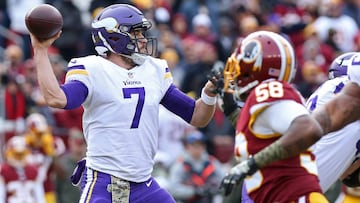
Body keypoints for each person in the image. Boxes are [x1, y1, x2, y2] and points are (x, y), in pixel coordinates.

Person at [29, 4, 217, 203]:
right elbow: (57, 98)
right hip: (105, 182)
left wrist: (208, 94)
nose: (144, 39)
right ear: (114, 38)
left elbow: (197, 117)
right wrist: (40, 50)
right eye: (136, 33)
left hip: (143, 184)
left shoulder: (153, 69)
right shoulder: (94, 68)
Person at [217, 33, 360, 201]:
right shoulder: (274, 95)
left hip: (278, 190)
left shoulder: (277, 97)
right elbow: (306, 131)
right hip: (283, 191)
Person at [167, 130, 225, 203]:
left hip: (210, 199)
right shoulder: (180, 164)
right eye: (194, 145)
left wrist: (213, 188)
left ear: (204, 147)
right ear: (188, 146)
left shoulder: (212, 162)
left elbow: (223, 182)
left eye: (200, 145)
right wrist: (194, 191)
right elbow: (173, 189)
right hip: (188, 200)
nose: (197, 148)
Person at [0, 135, 46, 203]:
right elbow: (1, 196)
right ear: (8, 153)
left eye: (21, 154)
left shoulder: (33, 170)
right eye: (16, 154)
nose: (19, 158)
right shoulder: (3, 171)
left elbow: (39, 195)